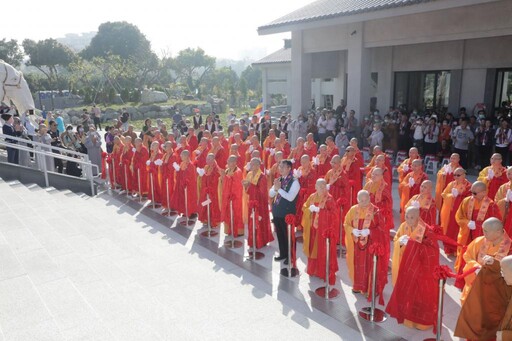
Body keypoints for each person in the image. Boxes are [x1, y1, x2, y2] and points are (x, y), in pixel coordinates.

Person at [386, 206, 440, 331]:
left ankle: (421, 322)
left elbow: (432, 251)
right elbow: (396, 239)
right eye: (407, 217)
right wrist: (400, 241)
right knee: (407, 292)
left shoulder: (427, 230)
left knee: (420, 295)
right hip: (405, 266)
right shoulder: (404, 226)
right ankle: (408, 318)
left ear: (418, 217)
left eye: (412, 218)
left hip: (420, 269)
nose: (409, 220)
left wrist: (412, 244)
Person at [455, 181, 502, 288]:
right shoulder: (467, 201)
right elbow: (459, 216)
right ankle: (463, 282)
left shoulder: (491, 205)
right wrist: (467, 223)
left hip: (483, 240)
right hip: (467, 236)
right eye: (471, 192)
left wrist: (481, 226)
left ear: (484, 192)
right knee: (466, 258)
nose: (472, 195)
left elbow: (496, 223)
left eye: (475, 193)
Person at [344, 190, 388, 302]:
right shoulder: (353, 210)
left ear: (370, 198)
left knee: (369, 266)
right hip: (356, 245)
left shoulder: (375, 211)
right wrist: (352, 230)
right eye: (361, 200)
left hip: (371, 246)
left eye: (366, 200)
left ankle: (369, 288)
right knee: (357, 265)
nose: (364, 202)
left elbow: (382, 229)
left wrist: (370, 231)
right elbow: (346, 223)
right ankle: (358, 286)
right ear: (357, 200)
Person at [459, 217, 512, 305]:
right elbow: (467, 256)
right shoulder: (479, 241)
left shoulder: (509, 248)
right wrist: (475, 266)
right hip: (475, 285)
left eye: (486, 231)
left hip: (495, 293)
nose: (483, 233)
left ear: (498, 232)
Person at [301, 178, 340, 284]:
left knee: (323, 250)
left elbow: (334, 215)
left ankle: (323, 272)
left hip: (323, 230)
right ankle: (313, 270)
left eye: (324, 186)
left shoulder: (329, 199)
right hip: (312, 229)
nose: (322, 188)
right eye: (319, 186)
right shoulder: (312, 197)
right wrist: (309, 209)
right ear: (315, 187)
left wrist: (320, 211)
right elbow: (304, 207)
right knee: (312, 248)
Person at [269, 159, 300, 263]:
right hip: (277, 212)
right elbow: (270, 194)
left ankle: (290, 257)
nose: (280, 169)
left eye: (283, 167)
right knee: (280, 235)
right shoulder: (280, 180)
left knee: (289, 236)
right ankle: (283, 254)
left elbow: (290, 197)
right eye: (279, 167)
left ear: (289, 168)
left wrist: (279, 190)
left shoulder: (294, 182)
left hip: (287, 213)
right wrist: (275, 189)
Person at [440, 167, 472, 256]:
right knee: (449, 230)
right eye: (454, 175)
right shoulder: (451, 184)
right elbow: (444, 194)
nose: (456, 177)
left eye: (458, 175)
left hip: (461, 212)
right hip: (450, 211)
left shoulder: (468, 186)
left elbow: (470, 198)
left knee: (457, 230)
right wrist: (451, 196)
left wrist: (459, 196)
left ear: (464, 175)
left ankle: (456, 249)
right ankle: (449, 249)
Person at [242, 158, 273, 249]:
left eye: (253, 164)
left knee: (260, 221)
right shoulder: (250, 174)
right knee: (252, 222)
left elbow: (262, 192)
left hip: (260, 204)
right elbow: (248, 191)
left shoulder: (262, 176)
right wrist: (246, 186)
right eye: (251, 164)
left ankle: (261, 241)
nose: (251, 166)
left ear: (259, 165)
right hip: (251, 201)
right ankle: (253, 240)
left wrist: (249, 185)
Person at [221, 155, 244, 237]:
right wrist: (223, 177)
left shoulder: (238, 171)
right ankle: (228, 230)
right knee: (228, 213)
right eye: (228, 161)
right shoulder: (227, 170)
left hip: (235, 196)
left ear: (235, 162)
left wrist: (225, 177)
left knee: (236, 213)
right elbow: (224, 181)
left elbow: (236, 184)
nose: (228, 162)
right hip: (228, 195)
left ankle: (238, 231)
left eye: (230, 161)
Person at [197, 153, 222, 228]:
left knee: (213, 207)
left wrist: (210, 189)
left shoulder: (216, 169)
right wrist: (201, 176)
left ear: (213, 159)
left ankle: (214, 221)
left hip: (212, 192)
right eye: (206, 159)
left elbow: (216, 181)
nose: (207, 161)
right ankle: (206, 219)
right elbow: (204, 178)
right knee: (204, 204)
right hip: (205, 191)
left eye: (209, 159)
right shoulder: (206, 167)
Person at [495, 167, 512, 236]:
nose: (510, 176)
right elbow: (496, 202)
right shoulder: (503, 187)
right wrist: (505, 200)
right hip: (505, 217)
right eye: (508, 174)